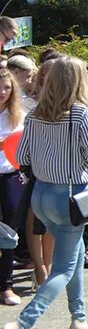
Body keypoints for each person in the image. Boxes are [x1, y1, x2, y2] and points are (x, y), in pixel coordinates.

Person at [1, 57, 88, 329]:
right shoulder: (79, 113)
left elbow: (21, 155)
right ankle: (20, 326)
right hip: (69, 194)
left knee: (74, 252)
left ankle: (79, 319)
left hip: (41, 195)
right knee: (62, 267)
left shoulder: (34, 115)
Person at [0, 66, 26, 304]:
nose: (2, 92)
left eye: (7, 87)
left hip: (9, 177)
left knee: (8, 233)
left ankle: (6, 285)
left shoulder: (17, 115)